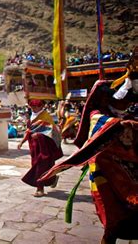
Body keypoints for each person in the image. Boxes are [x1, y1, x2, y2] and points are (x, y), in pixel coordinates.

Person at [40, 47, 138, 244]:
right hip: (103, 165)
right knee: (111, 213)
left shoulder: (130, 104)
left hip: (133, 165)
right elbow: (96, 124)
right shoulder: (101, 103)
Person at [17, 99, 63, 197]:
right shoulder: (32, 117)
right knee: (39, 165)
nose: (33, 108)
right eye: (32, 107)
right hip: (34, 147)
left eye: (35, 107)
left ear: (41, 107)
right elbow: (29, 131)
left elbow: (51, 131)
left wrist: (39, 134)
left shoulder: (46, 117)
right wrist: (22, 142)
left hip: (44, 147)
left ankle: (40, 189)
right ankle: (53, 179)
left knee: (40, 166)